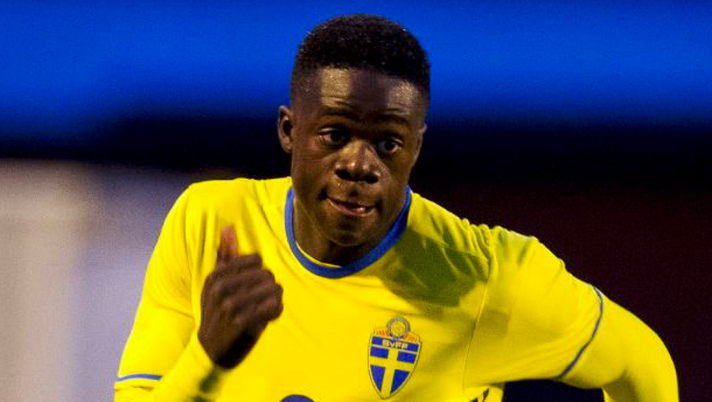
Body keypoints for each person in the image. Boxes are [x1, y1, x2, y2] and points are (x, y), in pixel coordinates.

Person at [115, 14, 677, 402]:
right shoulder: (210, 223)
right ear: (289, 130)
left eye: (387, 143)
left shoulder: (487, 277)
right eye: (335, 135)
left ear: (416, 149)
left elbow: (643, 363)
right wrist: (208, 359)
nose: (359, 165)